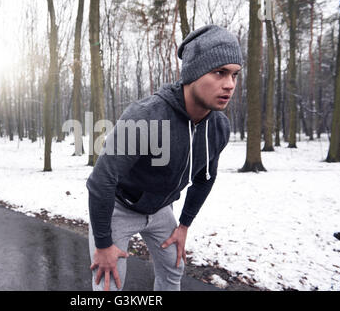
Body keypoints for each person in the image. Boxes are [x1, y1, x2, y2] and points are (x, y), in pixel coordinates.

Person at [87, 25, 243, 291]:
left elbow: (205, 179)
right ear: (193, 73)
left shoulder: (219, 127)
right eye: (219, 73)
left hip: (161, 210)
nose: (229, 84)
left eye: (234, 74)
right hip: (119, 208)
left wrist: (183, 225)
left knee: (174, 268)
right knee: (109, 283)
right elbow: (100, 181)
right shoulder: (146, 116)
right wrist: (103, 245)